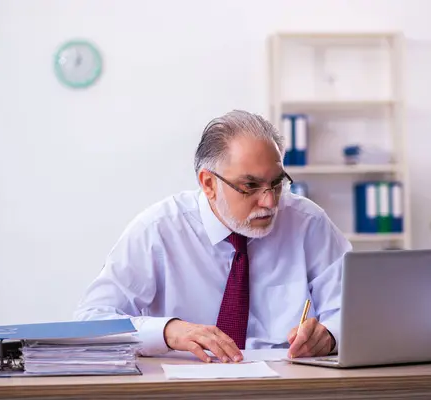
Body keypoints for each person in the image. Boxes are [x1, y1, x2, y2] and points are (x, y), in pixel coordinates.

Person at [74, 110, 352, 363]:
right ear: (208, 183)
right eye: (250, 186)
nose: (269, 202)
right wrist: (168, 331)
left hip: (289, 383)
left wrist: (330, 336)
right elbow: (90, 322)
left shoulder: (308, 223)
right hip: (185, 388)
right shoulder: (158, 231)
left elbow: (356, 310)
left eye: (277, 182)